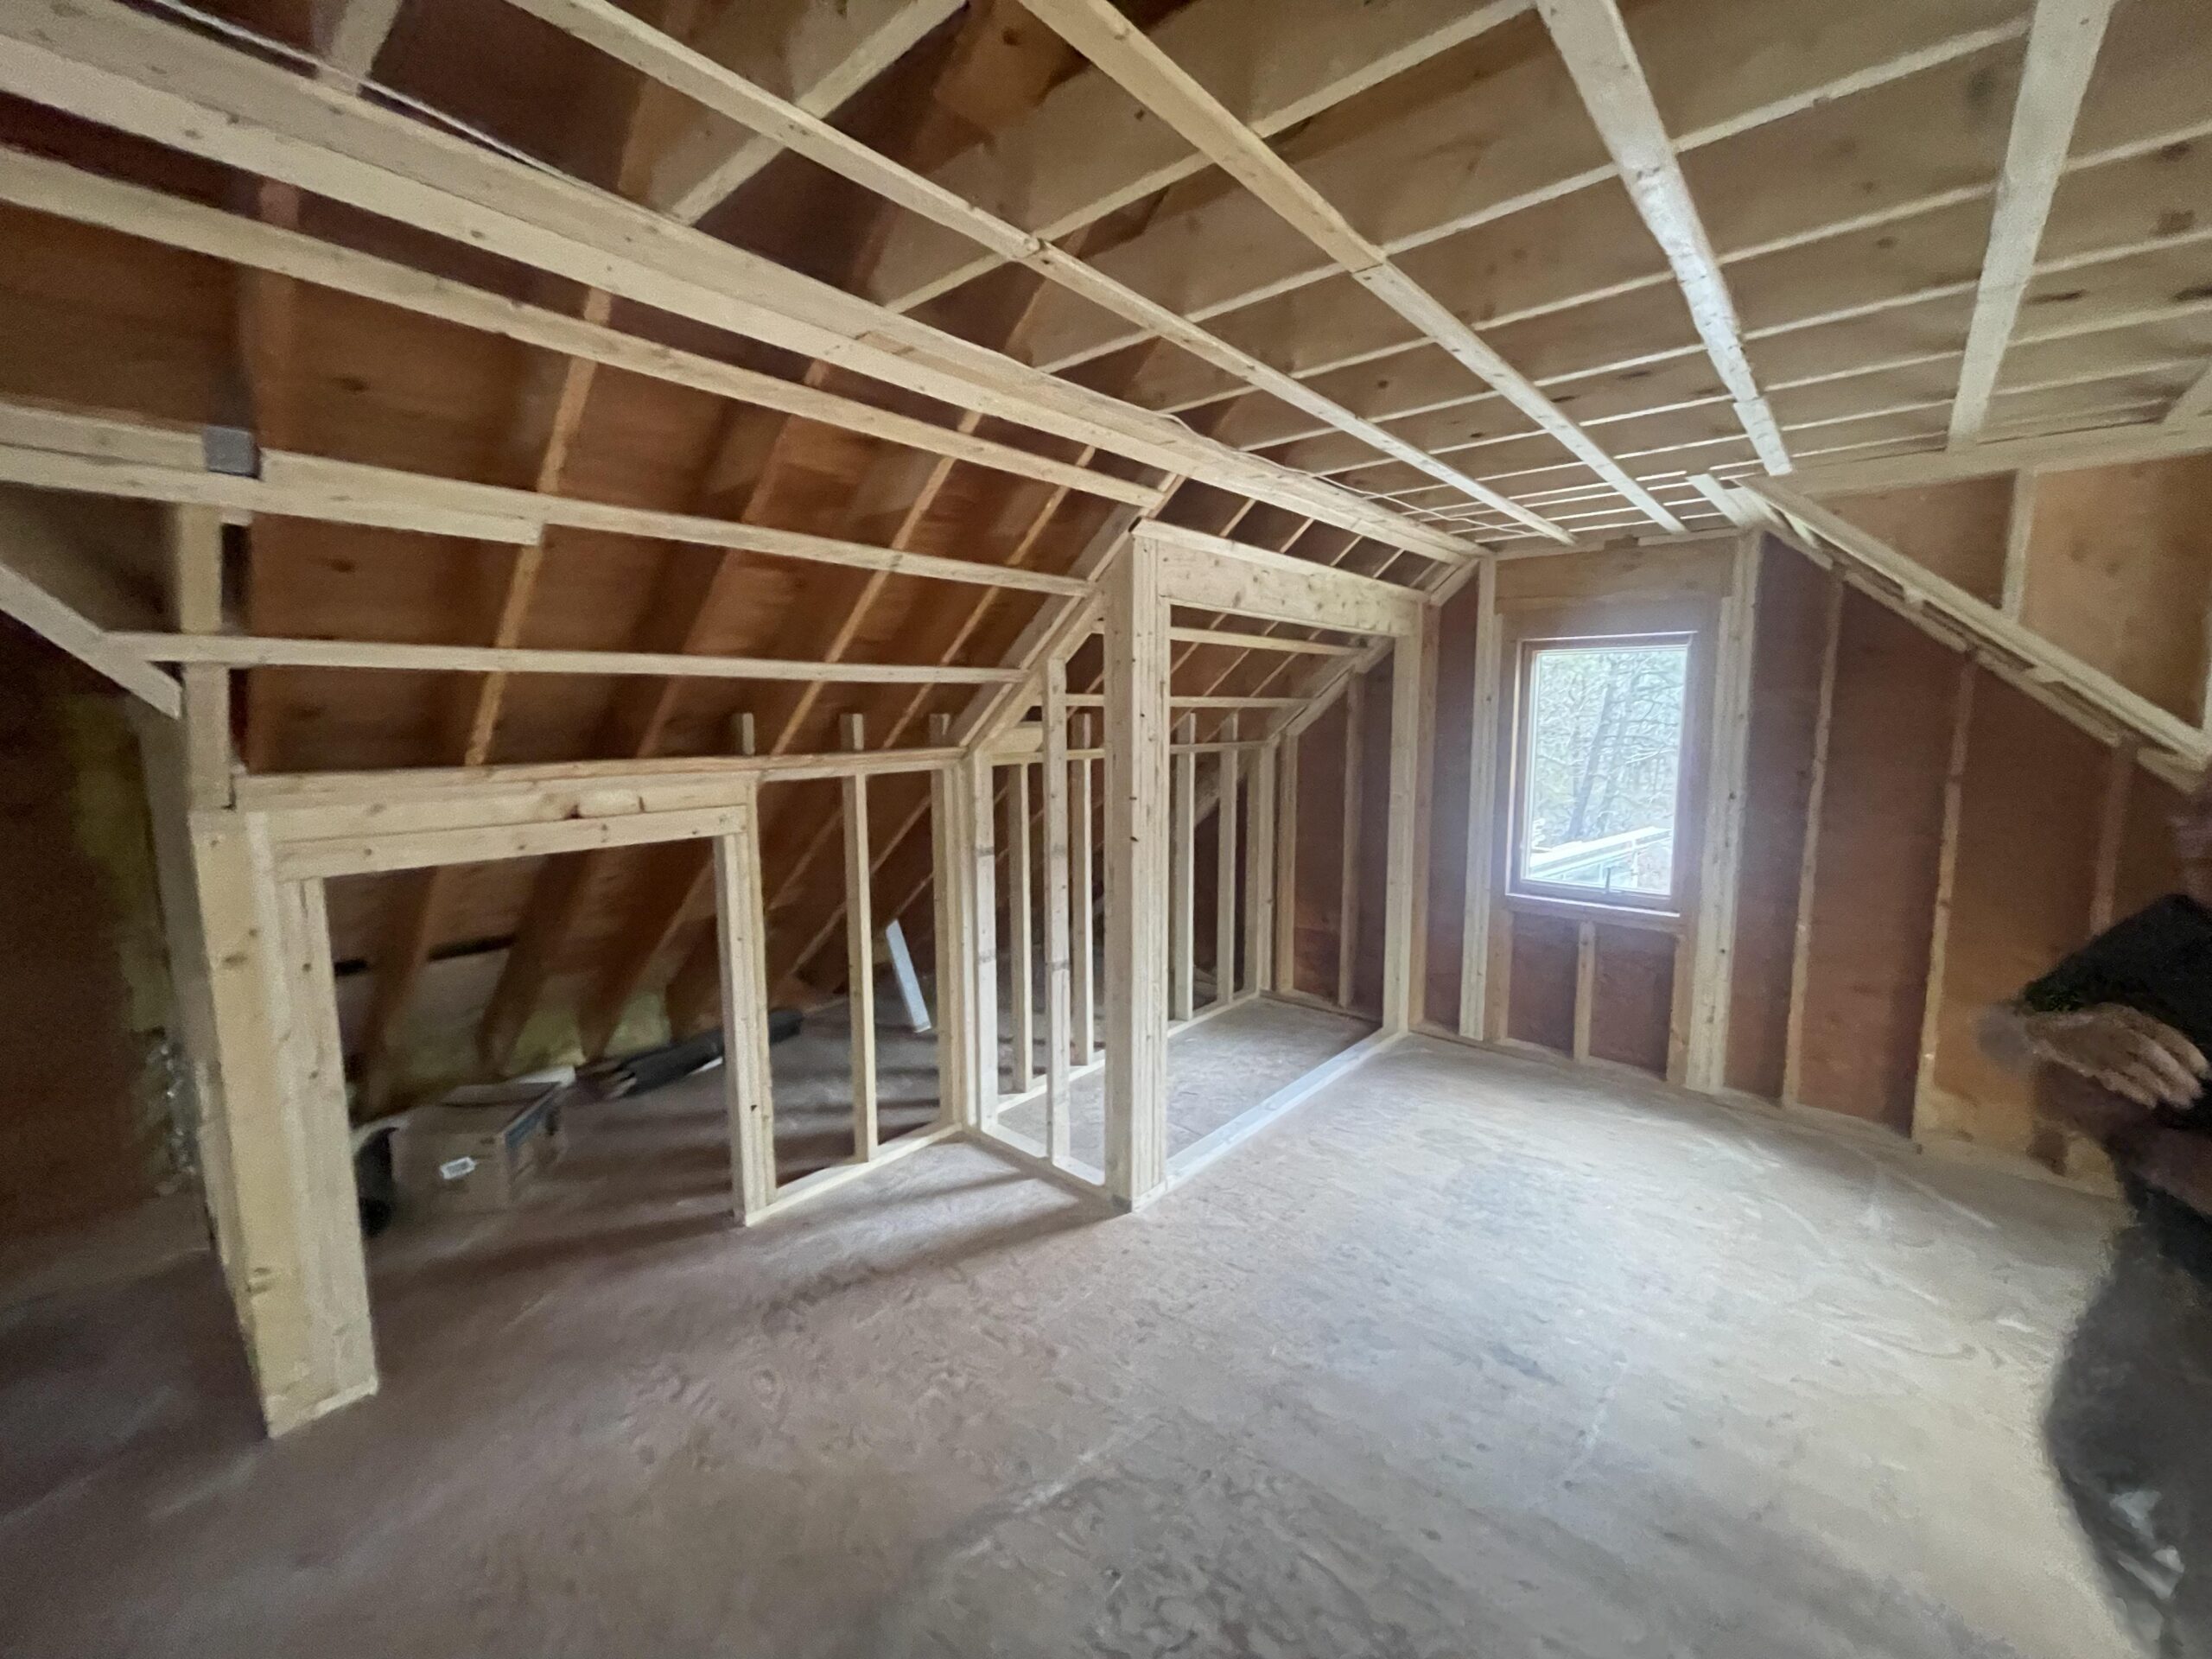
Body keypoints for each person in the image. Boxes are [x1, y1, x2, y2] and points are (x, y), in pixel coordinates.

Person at [1981, 777, 2212, 1656]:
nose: (2185, 824)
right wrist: (2055, 1033)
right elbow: (1999, 1031)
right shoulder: (2174, 931)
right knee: (2083, 1441)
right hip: (2164, 1267)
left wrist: (2136, 1140)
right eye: (2192, 803)